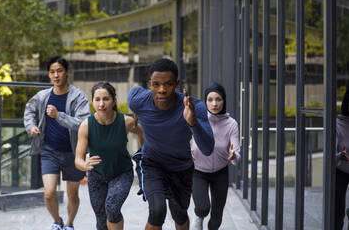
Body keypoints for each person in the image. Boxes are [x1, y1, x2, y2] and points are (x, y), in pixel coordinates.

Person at [127, 58, 214, 230]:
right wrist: (136, 113)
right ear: (149, 84)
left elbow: (207, 148)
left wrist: (192, 123)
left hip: (181, 168)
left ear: (177, 84)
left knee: (180, 215)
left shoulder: (194, 107)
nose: (161, 90)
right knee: (157, 211)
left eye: (167, 84)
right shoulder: (138, 100)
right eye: (156, 84)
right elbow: (134, 92)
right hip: (152, 164)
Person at [24, 56, 90, 230]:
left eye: (59, 71)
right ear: (49, 74)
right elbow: (29, 110)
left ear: (66, 72)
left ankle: (69, 224)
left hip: (73, 153)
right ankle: (57, 222)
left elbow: (82, 123)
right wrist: (31, 126)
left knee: (72, 194)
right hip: (49, 151)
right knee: (49, 193)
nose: (56, 75)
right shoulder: (43, 96)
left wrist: (58, 115)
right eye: (52, 72)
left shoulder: (78, 96)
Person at [75, 82, 144, 230]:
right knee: (101, 219)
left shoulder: (125, 121)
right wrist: (84, 165)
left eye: (106, 99)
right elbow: (78, 160)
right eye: (97, 99)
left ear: (113, 100)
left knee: (112, 208)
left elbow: (141, 132)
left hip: (121, 173)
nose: (101, 104)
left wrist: (144, 152)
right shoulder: (86, 125)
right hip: (96, 176)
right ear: (92, 101)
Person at [191, 82, 240, 230]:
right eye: (210, 99)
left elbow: (236, 154)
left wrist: (233, 156)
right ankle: (198, 218)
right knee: (203, 207)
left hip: (220, 173)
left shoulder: (231, 124)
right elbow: (180, 140)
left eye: (218, 99)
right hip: (198, 172)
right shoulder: (197, 119)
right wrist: (185, 151)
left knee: (217, 217)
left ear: (224, 101)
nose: (214, 104)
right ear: (205, 101)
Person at [335, 88, 349, 230]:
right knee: (338, 211)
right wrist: (340, 156)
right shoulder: (337, 124)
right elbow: (329, 156)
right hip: (340, 170)